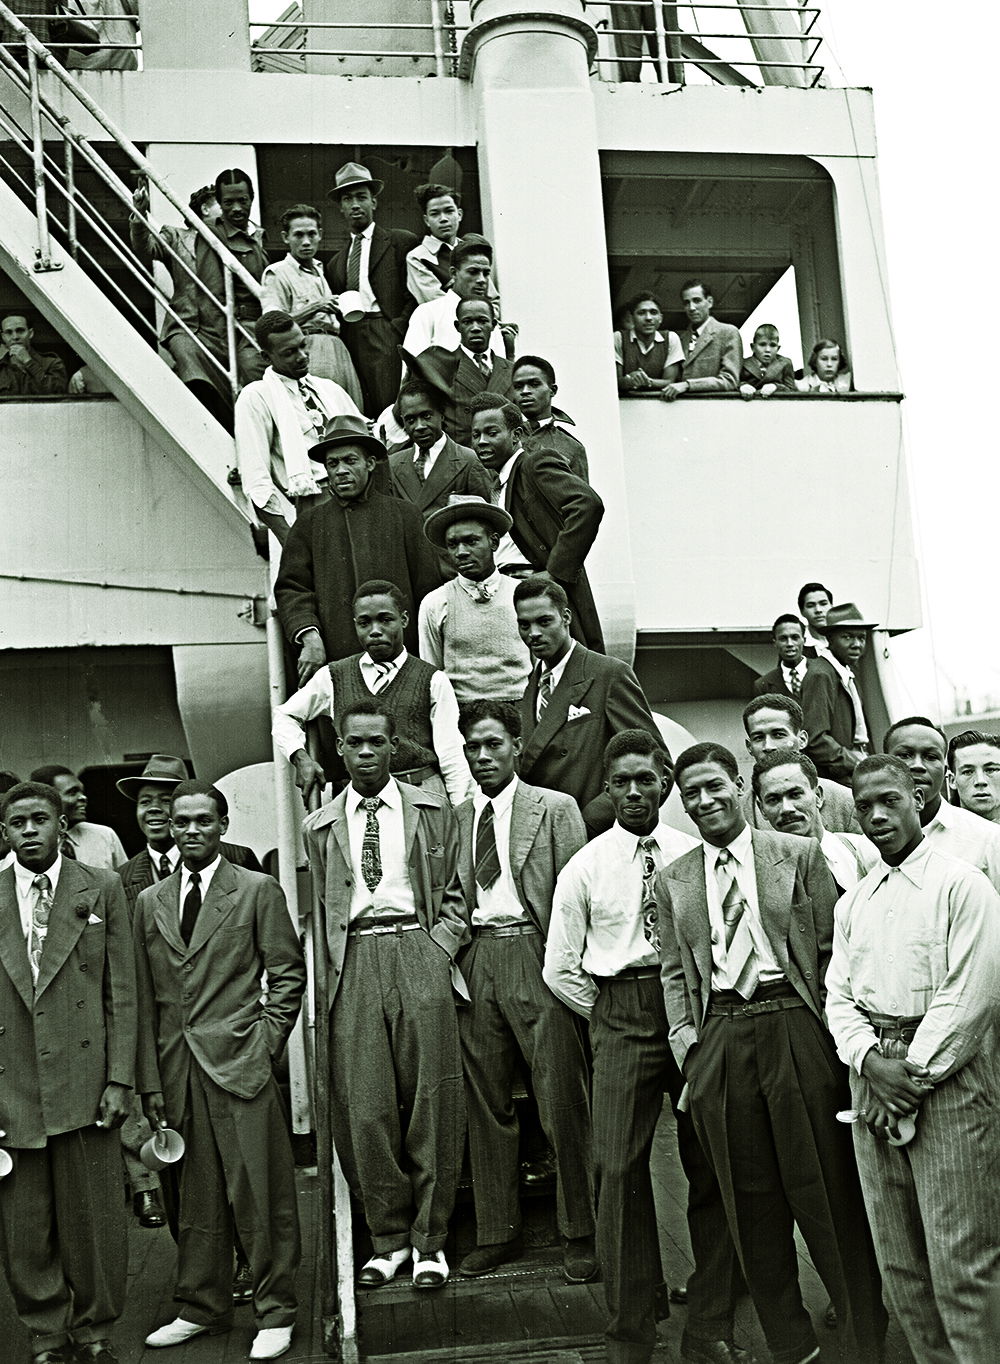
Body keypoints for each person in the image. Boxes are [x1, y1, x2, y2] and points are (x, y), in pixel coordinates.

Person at [657, 743, 886, 1364]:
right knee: (749, 1204)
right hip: (722, 1038)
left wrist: (835, 1042)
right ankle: (792, 1343)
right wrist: (690, 1050)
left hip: (796, 1024)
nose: (704, 801)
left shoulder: (798, 855)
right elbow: (676, 974)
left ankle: (868, 1342)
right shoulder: (674, 876)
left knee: (827, 1191)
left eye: (714, 786)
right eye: (691, 793)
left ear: (739, 787)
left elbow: (837, 952)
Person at [545, 731, 743, 1364]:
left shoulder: (694, 854)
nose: (635, 792)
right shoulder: (586, 864)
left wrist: (695, 1012)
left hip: (693, 1012)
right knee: (616, 1167)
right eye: (621, 782)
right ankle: (631, 1328)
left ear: (665, 785)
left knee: (711, 1163)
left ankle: (710, 1322)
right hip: (620, 1011)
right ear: (606, 789)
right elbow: (560, 967)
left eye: (647, 780)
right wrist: (607, 1014)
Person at [826, 755, 1000, 1364]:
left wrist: (908, 1076)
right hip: (872, 1077)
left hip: (947, 1081)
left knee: (961, 1261)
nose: (877, 816)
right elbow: (839, 996)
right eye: (864, 805)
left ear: (919, 798)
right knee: (899, 1262)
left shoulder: (961, 885)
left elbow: (970, 997)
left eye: (890, 801)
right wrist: (870, 1065)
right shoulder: (857, 900)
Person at [136, 781, 305, 1361]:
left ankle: (276, 1311)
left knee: (261, 1193)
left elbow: (287, 976)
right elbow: (143, 998)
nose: (189, 830)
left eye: (202, 820)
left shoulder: (257, 890)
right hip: (176, 1071)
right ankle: (201, 1307)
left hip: (240, 1064)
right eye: (180, 821)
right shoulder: (149, 901)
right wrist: (150, 1081)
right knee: (193, 1197)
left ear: (223, 824)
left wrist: (265, 1045)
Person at [303, 702, 469, 1290]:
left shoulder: (433, 809)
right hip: (354, 961)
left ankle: (430, 1241)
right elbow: (324, 908)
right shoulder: (319, 824)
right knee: (366, 1107)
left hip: (416, 949)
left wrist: (439, 947)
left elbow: (456, 888)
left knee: (433, 1100)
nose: (366, 752)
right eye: (354, 743)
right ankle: (388, 1239)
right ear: (340, 750)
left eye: (377, 741)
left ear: (394, 746)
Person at [454, 700, 596, 1281]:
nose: (483, 756)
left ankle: (581, 1230)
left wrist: (567, 965)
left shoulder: (555, 808)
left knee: (561, 1095)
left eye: (492, 744)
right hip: (476, 957)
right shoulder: (454, 817)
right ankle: (497, 1230)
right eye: (472, 748)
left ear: (516, 745)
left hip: (538, 952)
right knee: (484, 1102)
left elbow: (577, 893)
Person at [0, 780, 136, 1364]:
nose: (29, 830)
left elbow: (122, 992)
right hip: (13, 1083)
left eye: (39, 819)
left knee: (95, 1220)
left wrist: (120, 1078)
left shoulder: (101, 887)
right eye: (17, 822)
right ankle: (47, 1334)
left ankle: (95, 1329)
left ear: (62, 826)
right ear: (3, 832)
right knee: (25, 1226)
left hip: (85, 1079)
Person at [275, 415, 443, 683]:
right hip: (338, 663)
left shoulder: (405, 516)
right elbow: (292, 588)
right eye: (333, 463)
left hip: (403, 661)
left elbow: (430, 591)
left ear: (370, 463)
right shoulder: (310, 523)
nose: (341, 470)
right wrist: (310, 637)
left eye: (350, 460)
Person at [272, 579, 470, 806]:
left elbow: (452, 754)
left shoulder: (432, 679)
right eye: (365, 623)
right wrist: (301, 758)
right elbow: (284, 715)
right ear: (355, 625)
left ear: (403, 620)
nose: (375, 631)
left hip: (422, 797)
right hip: (360, 799)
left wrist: (459, 811)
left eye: (385, 620)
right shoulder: (334, 676)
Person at [469, 395, 606, 651]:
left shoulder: (534, 463)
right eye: (475, 435)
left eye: (491, 432)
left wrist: (555, 572)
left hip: (540, 592)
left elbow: (587, 504)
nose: (481, 442)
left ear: (516, 434)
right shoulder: (498, 483)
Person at [516, 577, 661, 813]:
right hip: (543, 828)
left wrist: (592, 821)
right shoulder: (530, 685)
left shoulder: (609, 674)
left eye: (544, 622)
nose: (533, 633)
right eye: (524, 625)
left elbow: (656, 764)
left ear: (566, 618)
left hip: (592, 831)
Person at [233, 310, 364, 545]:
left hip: (360, 495)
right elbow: (256, 479)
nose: (302, 356)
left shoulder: (329, 389)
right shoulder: (256, 397)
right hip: (316, 501)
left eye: (303, 345)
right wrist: (290, 542)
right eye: (289, 353)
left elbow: (366, 437)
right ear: (266, 357)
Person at [129, 181, 230, 421]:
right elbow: (145, 248)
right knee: (189, 359)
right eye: (222, 205)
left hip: (220, 329)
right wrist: (140, 213)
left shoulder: (230, 241)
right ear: (205, 209)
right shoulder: (175, 236)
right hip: (185, 324)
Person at [167, 168, 269, 404]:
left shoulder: (257, 236)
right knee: (258, 390)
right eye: (228, 202)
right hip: (240, 335)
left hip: (261, 330)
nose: (236, 208)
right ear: (220, 204)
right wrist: (226, 347)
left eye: (242, 201)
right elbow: (213, 296)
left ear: (252, 199)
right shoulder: (213, 237)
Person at [325, 162, 417, 417]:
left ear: (374, 203)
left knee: (391, 405)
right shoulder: (336, 263)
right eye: (347, 198)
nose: (355, 204)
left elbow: (414, 295)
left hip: (385, 330)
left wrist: (396, 328)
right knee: (361, 404)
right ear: (341, 208)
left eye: (361, 197)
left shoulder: (400, 242)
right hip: (351, 336)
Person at [419, 496, 532, 703]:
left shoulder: (522, 594)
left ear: (494, 542)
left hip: (520, 708)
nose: (461, 552)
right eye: (452, 545)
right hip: (464, 716)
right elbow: (432, 675)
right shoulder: (435, 602)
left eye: (471, 541)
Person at [259, 204, 363, 403]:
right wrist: (317, 305)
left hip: (337, 347)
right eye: (298, 235)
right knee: (324, 409)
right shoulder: (277, 272)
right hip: (309, 347)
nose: (306, 241)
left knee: (349, 409)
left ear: (320, 234)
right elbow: (271, 324)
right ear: (285, 237)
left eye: (311, 234)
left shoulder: (320, 269)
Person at [884, 716, 1000, 891]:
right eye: (905, 755)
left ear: (944, 771)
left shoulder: (990, 839)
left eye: (991, 769)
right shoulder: (867, 844)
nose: (917, 766)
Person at [753, 749, 877, 891]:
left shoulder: (861, 850)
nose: (786, 808)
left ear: (818, 796)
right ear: (762, 809)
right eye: (773, 800)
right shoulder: (763, 880)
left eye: (795, 794)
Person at [404, 297, 516, 447]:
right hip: (460, 461)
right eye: (467, 322)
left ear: (493, 325)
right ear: (458, 326)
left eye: (482, 321)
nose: (475, 327)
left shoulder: (511, 370)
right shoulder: (439, 368)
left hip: (504, 459)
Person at [741, 694, 861, 833]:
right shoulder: (743, 813)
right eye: (758, 737)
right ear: (749, 747)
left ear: (802, 739)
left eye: (778, 734)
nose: (768, 746)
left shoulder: (844, 801)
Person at [387, 377, 493, 515]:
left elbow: (486, 518)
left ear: (442, 415)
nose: (419, 426)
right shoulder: (392, 464)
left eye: (426, 416)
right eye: (411, 420)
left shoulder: (470, 461)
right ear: (403, 421)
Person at [799, 601, 877, 783]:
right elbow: (815, 740)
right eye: (848, 637)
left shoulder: (846, 672)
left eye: (862, 638)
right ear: (830, 639)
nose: (857, 644)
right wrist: (856, 762)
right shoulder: (821, 674)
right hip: (840, 778)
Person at [403, 235, 513, 361]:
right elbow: (412, 368)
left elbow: (500, 372)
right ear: (454, 273)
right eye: (473, 272)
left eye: (486, 273)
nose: (482, 280)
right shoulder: (428, 313)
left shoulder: (489, 320)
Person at [29, 765, 127, 868]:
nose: (83, 797)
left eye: (82, 792)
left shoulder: (105, 836)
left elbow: (126, 879)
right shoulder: (30, 843)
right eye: (72, 792)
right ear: (45, 800)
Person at [512, 355, 590, 483]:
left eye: (534, 384)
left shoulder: (572, 447)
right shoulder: (503, 437)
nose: (525, 391)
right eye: (518, 386)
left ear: (552, 390)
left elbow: (583, 501)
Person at [661, 281, 741, 401]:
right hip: (681, 409)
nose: (691, 308)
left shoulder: (728, 332)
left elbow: (730, 380)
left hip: (713, 407)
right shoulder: (680, 338)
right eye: (686, 303)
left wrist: (688, 385)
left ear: (710, 302)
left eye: (697, 300)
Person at [614, 292, 682, 395]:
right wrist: (629, 380)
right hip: (627, 404)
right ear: (632, 318)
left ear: (660, 318)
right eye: (641, 313)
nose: (648, 318)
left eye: (653, 312)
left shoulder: (671, 338)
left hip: (661, 403)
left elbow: (670, 381)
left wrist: (645, 381)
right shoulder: (619, 338)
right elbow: (614, 382)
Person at [0, 313, 68, 396]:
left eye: (20, 331)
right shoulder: (1, 368)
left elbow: (57, 392)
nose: (15, 337)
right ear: (3, 337)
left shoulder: (52, 363)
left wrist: (29, 362)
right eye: (8, 332)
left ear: (30, 333)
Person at [947, 729, 1000, 823]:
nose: (980, 781)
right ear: (952, 780)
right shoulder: (930, 835)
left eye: (990, 770)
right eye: (968, 772)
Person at [752, 613, 809, 697]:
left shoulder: (824, 672)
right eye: (783, 639)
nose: (789, 644)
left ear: (804, 640)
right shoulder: (763, 685)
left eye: (795, 637)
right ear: (775, 643)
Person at [738, 323, 795, 398]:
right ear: (753, 347)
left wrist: (776, 387)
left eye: (773, 345)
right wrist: (742, 386)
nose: (767, 350)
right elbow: (732, 383)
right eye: (762, 344)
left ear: (778, 348)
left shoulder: (785, 363)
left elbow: (791, 390)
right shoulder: (742, 364)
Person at [796, 580, 834, 656]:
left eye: (823, 604)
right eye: (811, 606)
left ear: (832, 607)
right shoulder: (797, 647)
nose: (818, 610)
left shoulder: (845, 641)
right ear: (802, 611)